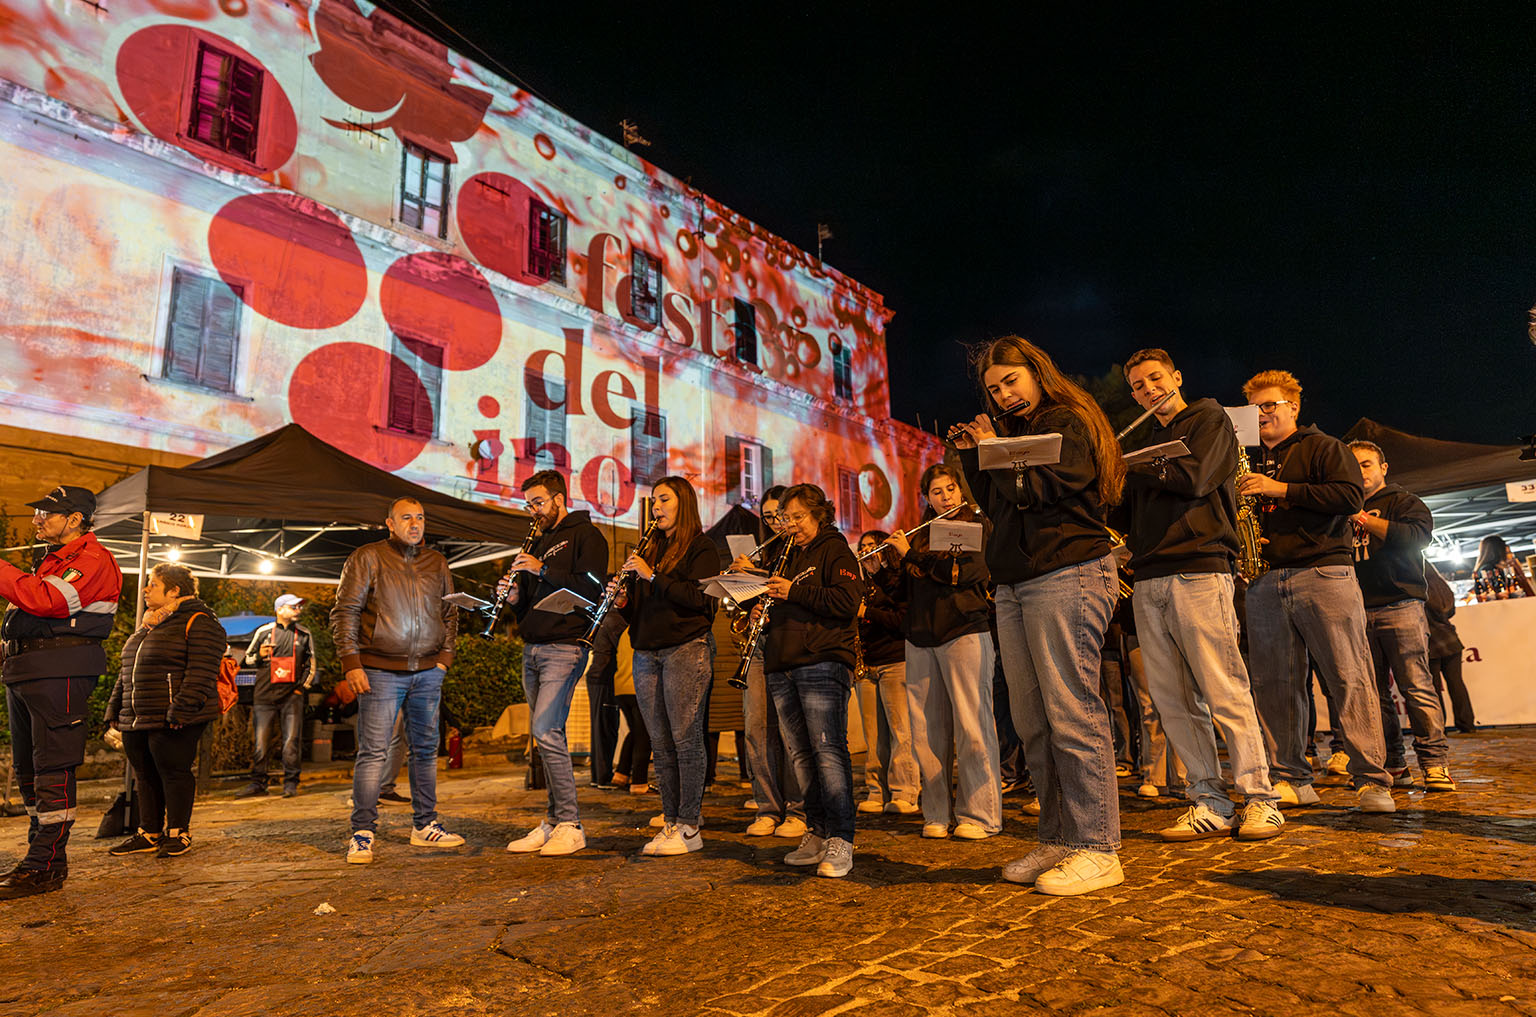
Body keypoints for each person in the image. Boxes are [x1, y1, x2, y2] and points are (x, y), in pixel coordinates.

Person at [952, 335, 1125, 896]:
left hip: (1067, 572)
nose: (1004, 395)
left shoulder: (1065, 422)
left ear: (1036, 372)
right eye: (994, 389)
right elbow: (997, 503)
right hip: (1016, 583)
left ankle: (1098, 846)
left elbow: (1039, 491)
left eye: (1011, 381)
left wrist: (993, 446)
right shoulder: (1014, 434)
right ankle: (1058, 836)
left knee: (1073, 711)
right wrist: (974, 455)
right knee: (1033, 720)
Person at [1117, 349, 1283, 842]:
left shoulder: (1207, 418)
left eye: (1155, 378)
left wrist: (1134, 469)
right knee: (1172, 700)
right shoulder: (1145, 444)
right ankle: (1209, 800)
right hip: (1149, 578)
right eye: (1139, 385)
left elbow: (1196, 478)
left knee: (1224, 689)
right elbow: (1126, 513)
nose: (1149, 389)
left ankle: (1261, 799)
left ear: (1176, 377)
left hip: (1199, 570)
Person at [1238, 370, 1394, 813]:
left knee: (1348, 676)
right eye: (1254, 407)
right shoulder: (1247, 458)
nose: (1261, 414)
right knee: (1275, 685)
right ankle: (1292, 778)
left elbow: (1348, 497)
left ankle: (1372, 782)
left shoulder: (1324, 446)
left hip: (1324, 572)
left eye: (1270, 405)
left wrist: (1280, 489)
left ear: (1293, 406)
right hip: (1265, 578)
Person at [0, 486, 123, 900]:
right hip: (32, 670)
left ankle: (43, 865)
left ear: (74, 520)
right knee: (30, 771)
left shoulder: (92, 559)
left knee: (53, 769)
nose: (36, 519)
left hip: (60, 670)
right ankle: (44, 861)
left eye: (45, 513)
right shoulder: (55, 560)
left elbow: (48, 600)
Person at [333, 496, 463, 863]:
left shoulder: (436, 562)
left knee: (425, 750)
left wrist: (444, 660)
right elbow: (345, 611)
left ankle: (425, 825)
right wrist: (351, 663)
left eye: (420, 517)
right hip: (379, 670)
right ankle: (362, 831)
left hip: (428, 671)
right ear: (389, 523)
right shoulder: (367, 557)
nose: (415, 523)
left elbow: (450, 612)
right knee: (374, 752)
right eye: (406, 517)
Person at [886, 465, 1001, 840]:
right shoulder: (920, 536)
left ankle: (980, 815)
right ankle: (936, 813)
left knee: (972, 726)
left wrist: (911, 558)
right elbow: (905, 592)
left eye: (951, 488)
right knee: (926, 733)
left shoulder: (976, 526)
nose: (946, 497)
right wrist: (884, 567)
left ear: (961, 491)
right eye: (937, 492)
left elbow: (968, 574)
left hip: (964, 631)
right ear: (927, 498)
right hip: (921, 637)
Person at [501, 470, 609, 857]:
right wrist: (515, 598)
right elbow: (532, 601)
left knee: (545, 729)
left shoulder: (587, 535)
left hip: (565, 646)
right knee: (546, 736)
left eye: (539, 502)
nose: (533, 511)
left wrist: (541, 569)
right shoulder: (539, 540)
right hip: (532, 647)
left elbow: (593, 587)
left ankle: (570, 824)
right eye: (528, 504)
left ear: (559, 498)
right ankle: (552, 820)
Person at [615, 477, 721, 856]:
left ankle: (690, 826)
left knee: (685, 739)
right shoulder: (651, 548)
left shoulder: (702, 547)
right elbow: (642, 611)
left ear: (683, 504)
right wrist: (624, 602)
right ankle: (671, 820)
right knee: (659, 743)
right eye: (654, 500)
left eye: (664, 499)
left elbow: (700, 600)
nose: (656, 507)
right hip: (647, 651)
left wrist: (653, 576)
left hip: (686, 649)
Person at [762, 483, 863, 878]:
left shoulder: (835, 549)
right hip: (782, 663)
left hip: (821, 660)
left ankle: (841, 837)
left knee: (828, 751)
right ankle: (817, 831)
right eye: (786, 518)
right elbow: (785, 601)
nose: (790, 525)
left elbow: (846, 601)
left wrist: (794, 592)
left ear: (819, 514)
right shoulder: (785, 555)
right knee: (801, 756)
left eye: (798, 517)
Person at [1348, 441, 1455, 792]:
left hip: (1402, 605)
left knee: (1416, 686)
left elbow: (1416, 537)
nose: (1360, 471)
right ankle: (1394, 764)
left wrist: (1361, 518)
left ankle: (1435, 764)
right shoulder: (1340, 507)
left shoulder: (1404, 502)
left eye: (1366, 464)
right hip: (1357, 610)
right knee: (1374, 695)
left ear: (1383, 467)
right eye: (1353, 465)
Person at [104, 563, 226, 858]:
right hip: (138, 716)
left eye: (153, 584)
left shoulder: (199, 621)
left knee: (174, 772)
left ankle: (178, 832)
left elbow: (202, 672)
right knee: (144, 774)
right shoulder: (150, 623)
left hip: (172, 715)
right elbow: (127, 671)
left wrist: (182, 709)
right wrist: (115, 710)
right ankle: (149, 832)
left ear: (174, 590)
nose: (145, 589)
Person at [729, 486, 807, 839]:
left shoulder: (802, 548)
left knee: (790, 731)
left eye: (781, 515)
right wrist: (745, 588)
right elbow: (752, 598)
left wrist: (758, 577)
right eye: (769, 517)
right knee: (756, 728)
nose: (776, 523)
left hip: (789, 644)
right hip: (760, 643)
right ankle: (767, 807)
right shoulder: (767, 550)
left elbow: (800, 592)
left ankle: (798, 808)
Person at [852, 530, 919, 816]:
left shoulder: (896, 579)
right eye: (863, 547)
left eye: (873, 546)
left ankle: (905, 792)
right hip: (867, 662)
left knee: (900, 731)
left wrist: (866, 611)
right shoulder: (859, 583)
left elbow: (901, 619)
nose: (867, 551)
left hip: (895, 660)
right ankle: (876, 791)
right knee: (873, 736)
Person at [236, 594, 317, 798]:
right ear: (279, 609)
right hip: (264, 696)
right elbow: (247, 659)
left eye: (299, 607)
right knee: (261, 743)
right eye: (293, 607)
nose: (298, 610)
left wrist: (300, 689)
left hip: (292, 697)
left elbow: (311, 665)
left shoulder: (304, 634)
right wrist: (261, 655)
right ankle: (258, 783)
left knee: (291, 741)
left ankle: (291, 783)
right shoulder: (264, 632)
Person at [1425, 562, 1475, 733]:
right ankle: (1466, 724)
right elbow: (1451, 612)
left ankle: (1440, 726)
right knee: (1456, 683)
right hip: (1450, 639)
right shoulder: (1443, 588)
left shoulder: (1420, 591)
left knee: (1434, 688)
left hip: (1431, 643)